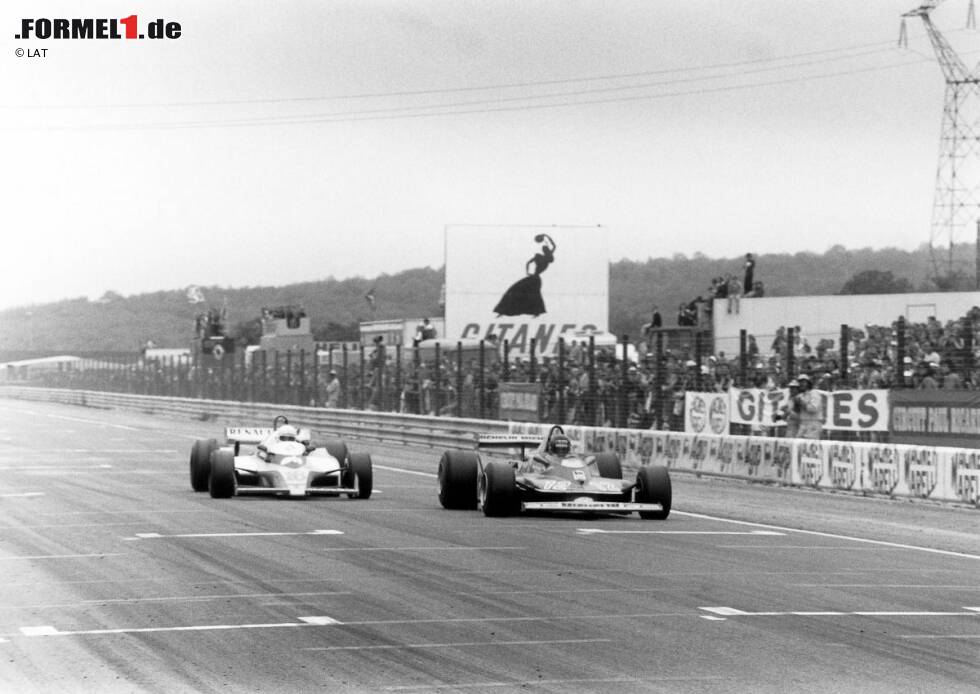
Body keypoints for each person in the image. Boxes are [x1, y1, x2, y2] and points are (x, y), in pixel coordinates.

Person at [493, 233, 556, 317]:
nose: (544, 250)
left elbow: (529, 263)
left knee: (524, 292)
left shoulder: (541, 257)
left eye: (545, 250)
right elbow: (554, 246)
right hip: (535, 278)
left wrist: (528, 272)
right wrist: (546, 236)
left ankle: (504, 311)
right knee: (525, 292)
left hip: (534, 278)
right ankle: (504, 311)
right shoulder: (545, 258)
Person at [793, 374, 823, 439]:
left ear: (808, 383)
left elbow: (814, 409)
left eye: (803, 382)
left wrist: (801, 403)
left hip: (813, 424)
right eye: (800, 382)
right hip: (803, 424)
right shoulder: (800, 396)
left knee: (809, 446)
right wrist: (796, 404)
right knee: (798, 445)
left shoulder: (814, 393)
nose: (801, 384)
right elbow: (796, 412)